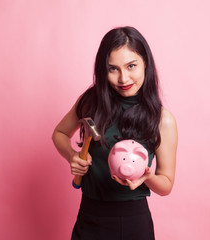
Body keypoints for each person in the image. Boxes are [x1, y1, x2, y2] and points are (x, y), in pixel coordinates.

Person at [52, 26, 177, 240]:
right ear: (103, 70)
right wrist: (72, 156)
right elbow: (60, 133)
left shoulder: (162, 119)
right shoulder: (90, 102)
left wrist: (147, 177)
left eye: (131, 66)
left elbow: (166, 184)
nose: (123, 78)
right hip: (89, 216)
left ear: (145, 63)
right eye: (113, 69)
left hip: (133, 222)